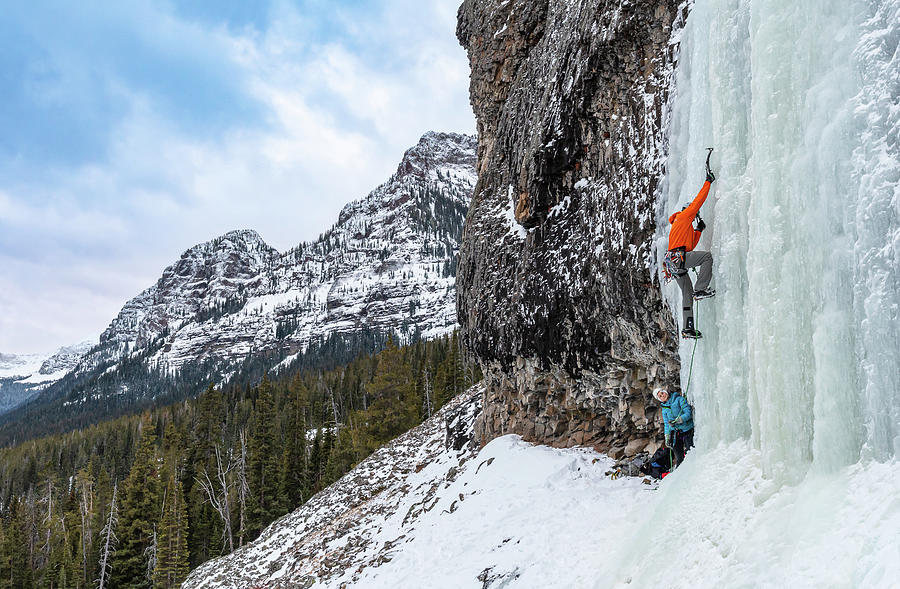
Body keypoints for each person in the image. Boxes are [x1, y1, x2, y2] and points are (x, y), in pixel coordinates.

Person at [665, 166, 716, 338]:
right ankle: (701, 289)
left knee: (687, 294)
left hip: (674, 263)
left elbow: (690, 247)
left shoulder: (680, 224)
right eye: (694, 216)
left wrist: (699, 230)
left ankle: (688, 328)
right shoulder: (685, 215)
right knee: (707, 257)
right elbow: (698, 201)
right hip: (678, 259)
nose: (694, 217)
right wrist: (707, 182)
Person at [653, 388, 694, 467]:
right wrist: (667, 436)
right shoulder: (664, 409)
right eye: (660, 396)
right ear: (659, 399)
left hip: (686, 429)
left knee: (690, 451)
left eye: (662, 393)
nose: (662, 396)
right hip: (675, 432)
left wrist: (680, 419)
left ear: (665, 392)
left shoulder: (679, 399)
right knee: (679, 457)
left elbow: (688, 412)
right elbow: (666, 424)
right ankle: (681, 473)